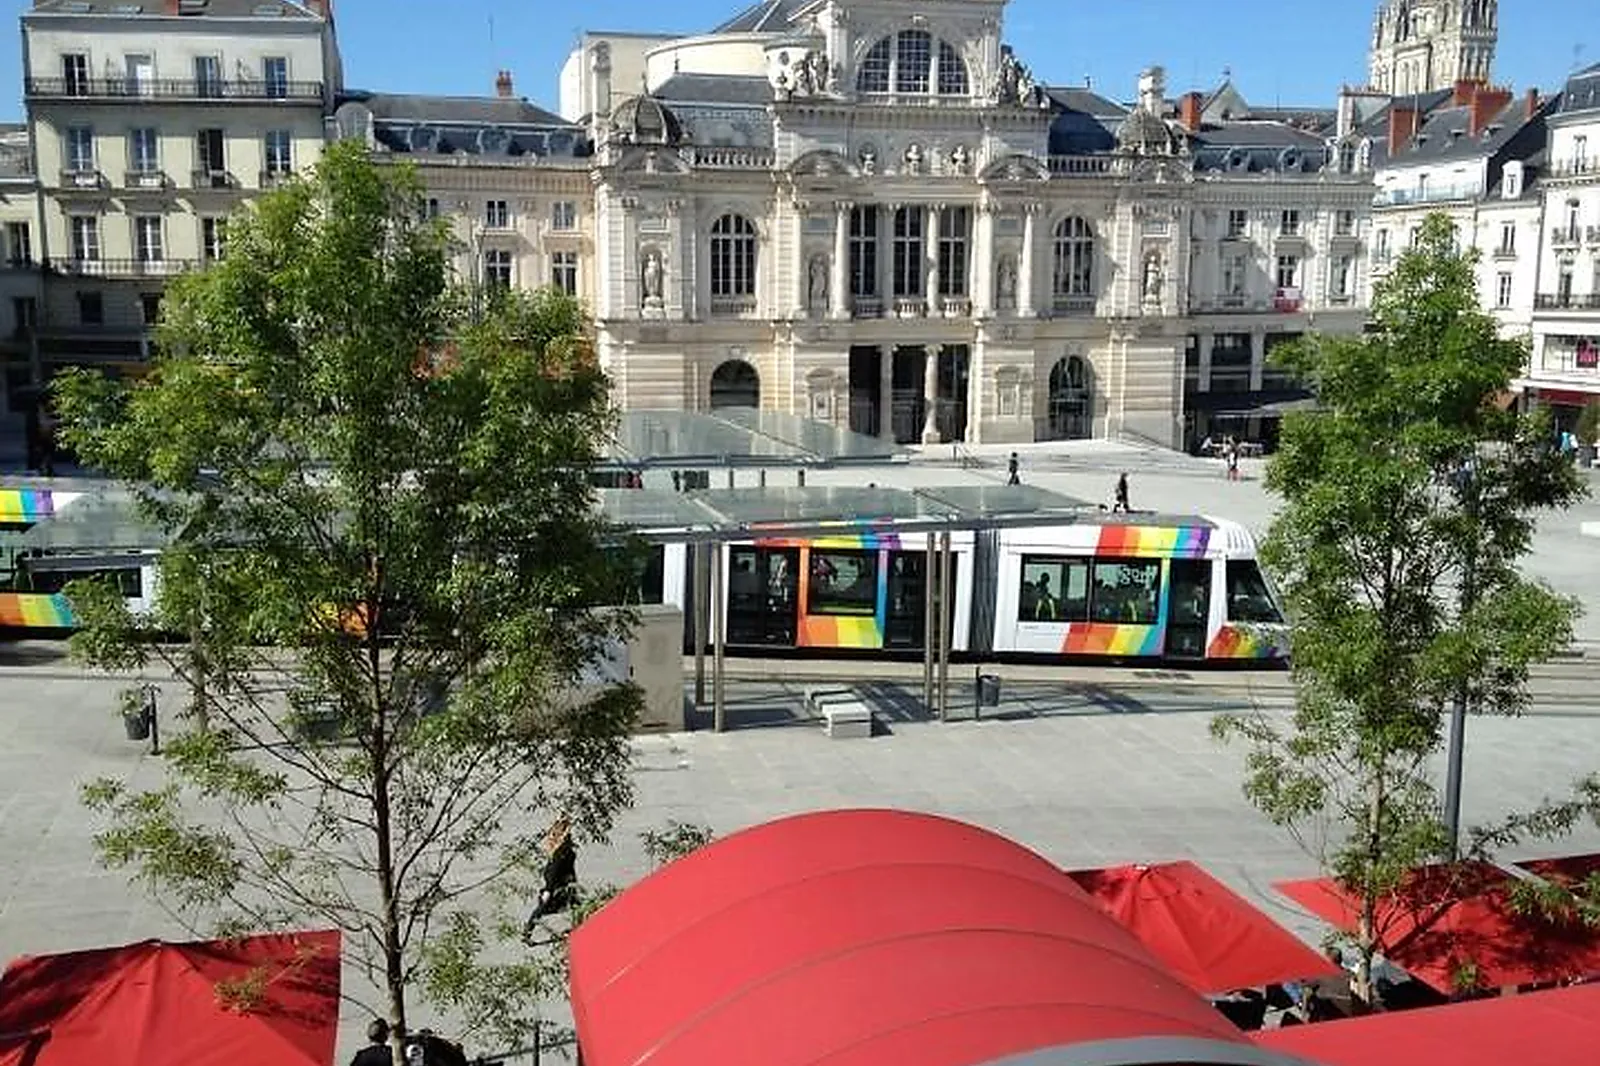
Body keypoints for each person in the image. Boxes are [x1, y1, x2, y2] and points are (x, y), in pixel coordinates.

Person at [523, 817, 577, 940]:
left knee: (546, 908)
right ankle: (528, 932)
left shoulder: (561, 851)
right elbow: (554, 870)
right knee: (546, 907)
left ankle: (528, 932)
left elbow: (555, 870)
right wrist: (548, 889)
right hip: (560, 883)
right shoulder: (562, 852)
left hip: (562, 882)